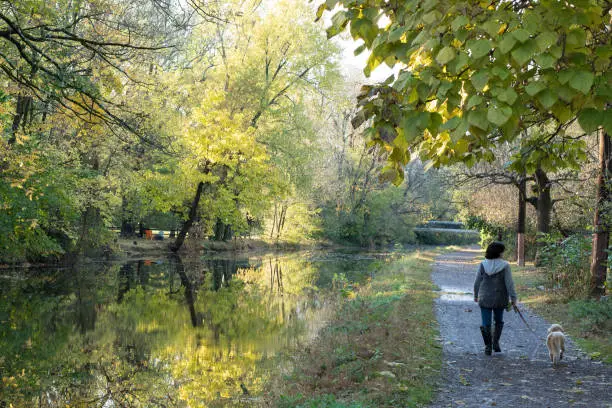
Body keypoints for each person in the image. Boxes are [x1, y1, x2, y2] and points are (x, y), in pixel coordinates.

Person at [473, 241, 517, 355]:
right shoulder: (505, 265)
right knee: (498, 320)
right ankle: (495, 343)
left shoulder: (483, 264)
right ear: (499, 252)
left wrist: (475, 295)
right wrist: (513, 298)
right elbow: (509, 284)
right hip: (499, 297)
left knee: (485, 322)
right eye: (502, 251)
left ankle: (488, 346)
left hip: (485, 297)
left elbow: (477, 282)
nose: (503, 253)